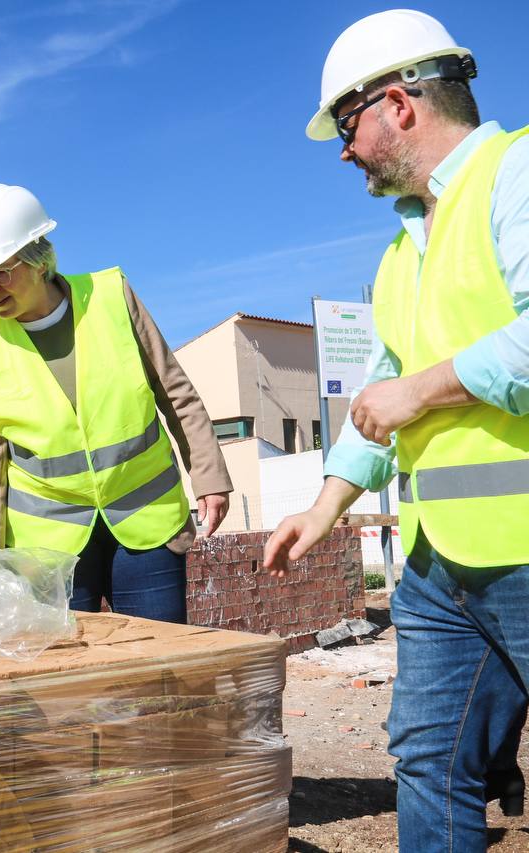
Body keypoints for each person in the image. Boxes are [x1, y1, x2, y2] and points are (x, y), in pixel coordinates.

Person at [263, 9, 529, 850]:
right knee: (427, 759)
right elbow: (380, 398)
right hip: (434, 563)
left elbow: (412, 389)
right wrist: (325, 507)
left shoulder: (515, 175)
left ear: (400, 103)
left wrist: (425, 390)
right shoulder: (398, 253)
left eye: (348, 125)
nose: (344, 150)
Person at [0, 183, 231, 623]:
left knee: (157, 667)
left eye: (1, 272)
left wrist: (210, 477)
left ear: (38, 259)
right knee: (65, 676)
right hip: (48, 542)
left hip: (147, 520)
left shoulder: (112, 298)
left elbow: (174, 391)